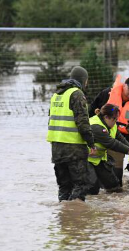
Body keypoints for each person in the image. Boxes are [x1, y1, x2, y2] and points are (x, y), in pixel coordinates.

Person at [47, 66, 96, 202]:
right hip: (73, 149)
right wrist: (91, 143)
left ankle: (64, 217)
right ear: (83, 80)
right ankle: (75, 217)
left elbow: (50, 121)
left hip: (56, 148)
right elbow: (83, 123)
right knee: (82, 184)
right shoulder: (77, 94)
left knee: (64, 187)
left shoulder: (56, 95)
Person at [88, 75, 129, 187]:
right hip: (98, 139)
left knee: (115, 181)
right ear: (124, 86)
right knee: (94, 185)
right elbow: (91, 111)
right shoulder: (107, 94)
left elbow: (120, 136)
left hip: (118, 140)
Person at [87, 104, 129, 195]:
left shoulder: (112, 124)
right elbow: (111, 143)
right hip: (86, 160)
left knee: (114, 187)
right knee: (93, 188)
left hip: (99, 160)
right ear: (106, 117)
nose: (115, 122)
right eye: (114, 119)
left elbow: (119, 138)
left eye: (116, 119)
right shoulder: (95, 126)